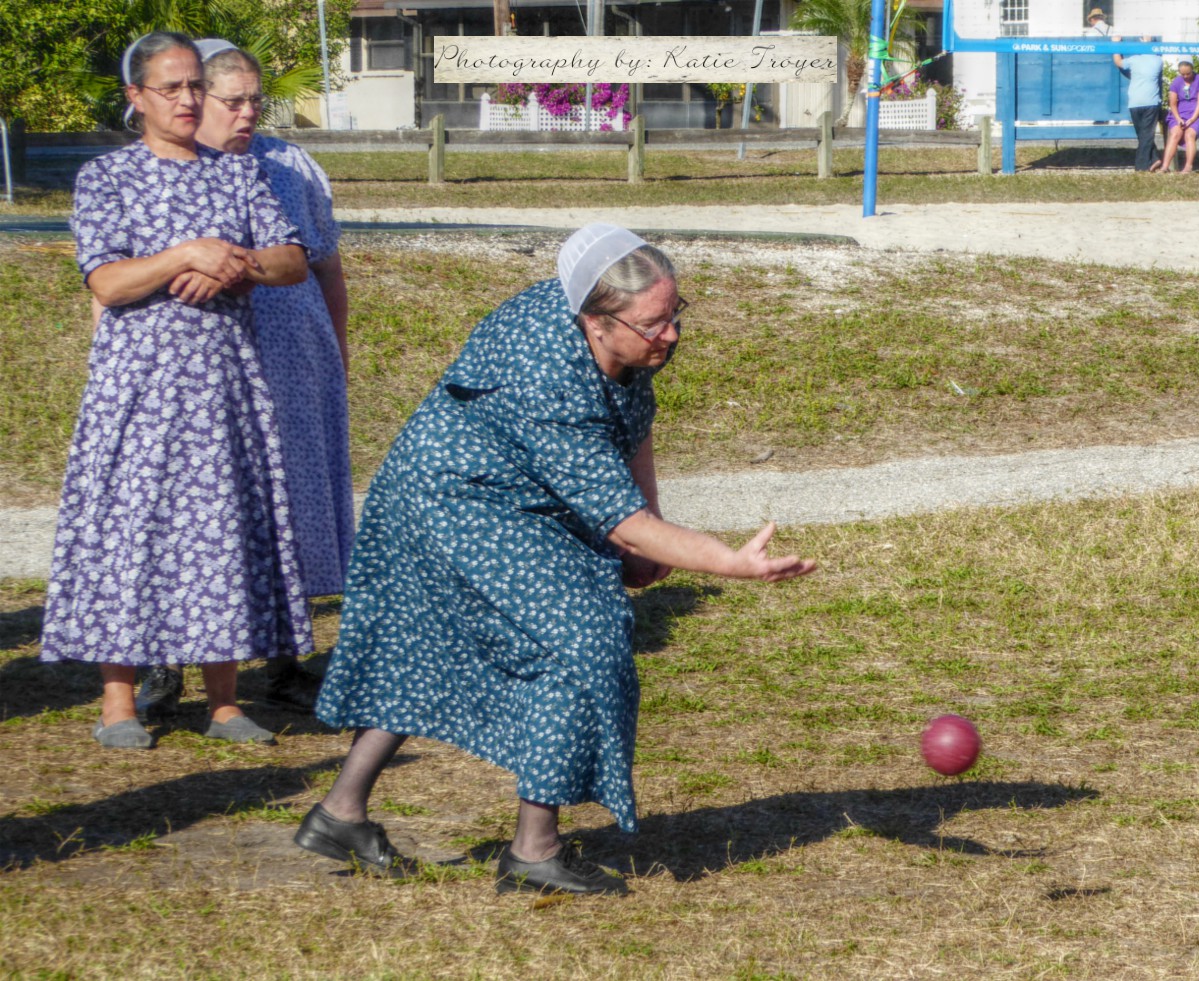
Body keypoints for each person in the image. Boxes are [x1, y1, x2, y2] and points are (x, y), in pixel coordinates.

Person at [293, 225, 817, 893]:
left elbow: (631, 416)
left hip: (495, 489)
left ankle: (340, 813)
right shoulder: (548, 374)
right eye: (654, 324)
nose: (672, 336)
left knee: (444, 643)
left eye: (675, 315)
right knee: (581, 640)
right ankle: (534, 851)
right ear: (595, 321)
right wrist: (727, 560)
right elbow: (623, 524)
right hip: (455, 497)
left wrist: (647, 518)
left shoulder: (600, 325)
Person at [42, 32, 311, 749]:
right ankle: (118, 700)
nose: (190, 100)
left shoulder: (234, 174)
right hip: (137, 388)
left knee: (219, 528)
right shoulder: (107, 177)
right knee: (130, 530)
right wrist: (185, 255)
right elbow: (107, 279)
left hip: (224, 386)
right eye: (172, 88)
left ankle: (223, 701)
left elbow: (292, 260)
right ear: (136, 98)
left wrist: (237, 263)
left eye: (196, 85)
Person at [134, 38, 353, 718]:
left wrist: (336, 353)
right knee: (186, 508)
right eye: (234, 101)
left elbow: (324, 264)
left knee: (289, 507)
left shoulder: (290, 164)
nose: (249, 113)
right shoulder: (160, 172)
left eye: (257, 100)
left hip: (294, 365)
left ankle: (286, 660)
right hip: (197, 369)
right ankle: (163, 665)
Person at [1113, 37, 1164, 172]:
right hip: (1150, 102)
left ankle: (1141, 167)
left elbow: (1118, 62)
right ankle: (1154, 159)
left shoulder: (1134, 60)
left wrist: (1115, 44)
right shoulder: (1158, 60)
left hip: (1136, 102)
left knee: (1144, 135)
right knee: (1145, 135)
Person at [1161, 59, 1199, 173]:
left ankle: (1188, 166)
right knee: (1175, 134)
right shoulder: (1176, 82)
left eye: (1188, 73)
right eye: (1183, 74)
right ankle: (1165, 166)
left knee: (1189, 134)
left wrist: (1192, 119)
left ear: (1192, 70)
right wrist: (1178, 119)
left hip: (1197, 115)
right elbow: (1172, 103)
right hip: (1179, 113)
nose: (1186, 76)